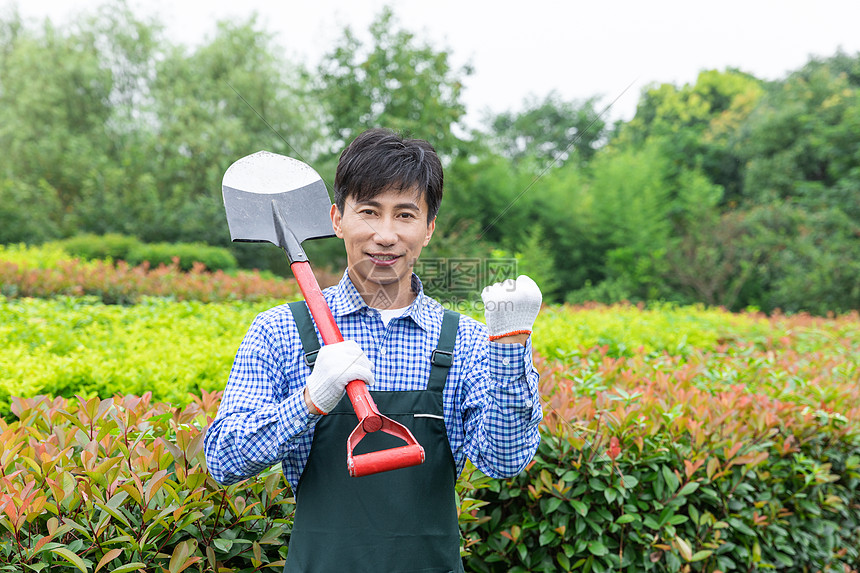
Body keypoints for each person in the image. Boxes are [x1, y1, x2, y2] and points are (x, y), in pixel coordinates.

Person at [204, 128, 543, 572]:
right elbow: (222, 460)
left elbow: (504, 461)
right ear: (336, 219)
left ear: (429, 228)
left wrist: (509, 347)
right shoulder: (281, 330)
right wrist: (310, 400)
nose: (385, 235)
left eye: (405, 215)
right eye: (368, 211)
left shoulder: (468, 342)